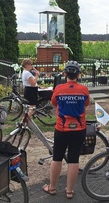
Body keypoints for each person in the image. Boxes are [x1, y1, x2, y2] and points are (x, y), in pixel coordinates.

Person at [42, 61, 89, 200]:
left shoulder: (59, 88)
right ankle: (69, 191)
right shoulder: (84, 89)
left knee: (57, 157)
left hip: (62, 128)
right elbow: (86, 104)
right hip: (79, 129)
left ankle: (52, 187)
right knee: (74, 159)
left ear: (64, 74)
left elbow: (53, 103)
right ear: (78, 75)